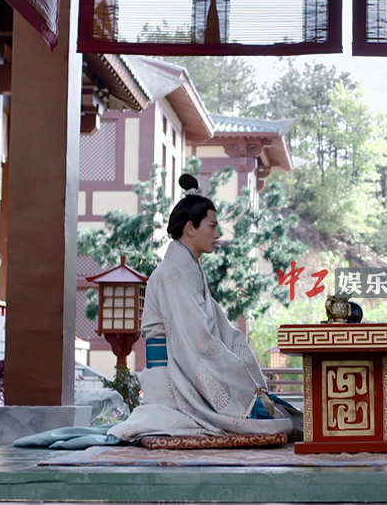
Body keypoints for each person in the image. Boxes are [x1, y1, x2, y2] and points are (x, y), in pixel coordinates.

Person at [107, 174, 302, 442]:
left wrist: (250, 377)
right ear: (190, 228)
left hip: (187, 372)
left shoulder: (190, 272)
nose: (217, 234)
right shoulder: (170, 275)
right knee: (273, 423)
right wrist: (239, 378)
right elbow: (197, 341)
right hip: (172, 383)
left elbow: (223, 329)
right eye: (212, 226)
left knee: (282, 415)